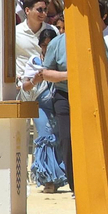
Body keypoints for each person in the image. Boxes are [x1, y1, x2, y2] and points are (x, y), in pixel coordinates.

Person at [32, 11, 74, 190]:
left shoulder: (93, 39)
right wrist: (72, 75)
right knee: (63, 139)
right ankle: (71, 182)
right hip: (60, 96)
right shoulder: (57, 43)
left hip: (87, 96)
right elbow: (46, 73)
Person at [27, 26, 68, 192]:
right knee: (45, 139)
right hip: (41, 105)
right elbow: (25, 85)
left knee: (60, 139)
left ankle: (59, 178)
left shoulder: (60, 58)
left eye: (49, 44)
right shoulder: (33, 61)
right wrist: (35, 80)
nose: (46, 48)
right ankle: (47, 179)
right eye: (44, 45)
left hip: (57, 102)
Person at [15, 0, 50, 102]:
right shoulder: (15, 32)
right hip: (23, 87)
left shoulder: (52, 31)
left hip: (46, 88)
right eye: (39, 10)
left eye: (45, 10)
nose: (43, 13)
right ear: (27, 10)